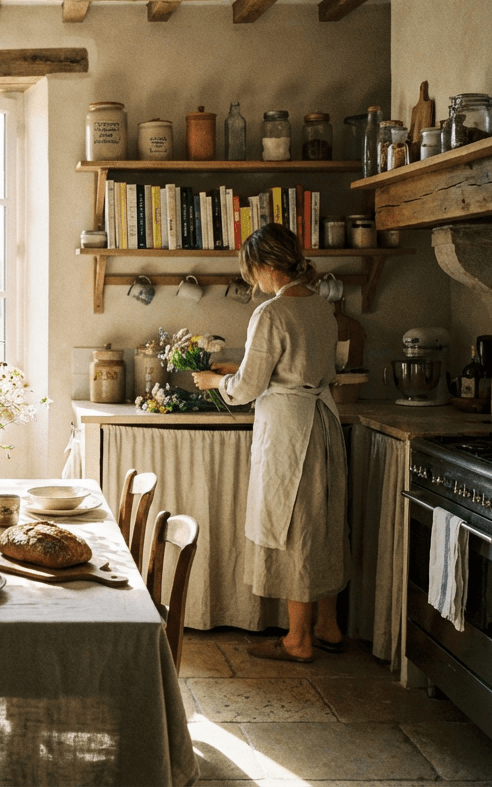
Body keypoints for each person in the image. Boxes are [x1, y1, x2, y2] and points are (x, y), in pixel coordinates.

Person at [193, 222, 349, 662]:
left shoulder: (271, 313)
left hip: (290, 431)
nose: (254, 283)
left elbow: (247, 389)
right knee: (324, 523)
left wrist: (213, 382)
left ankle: (297, 640)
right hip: (323, 420)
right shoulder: (322, 306)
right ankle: (328, 626)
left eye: (252, 273)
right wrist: (238, 371)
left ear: (264, 265)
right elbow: (293, 365)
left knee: (295, 526)